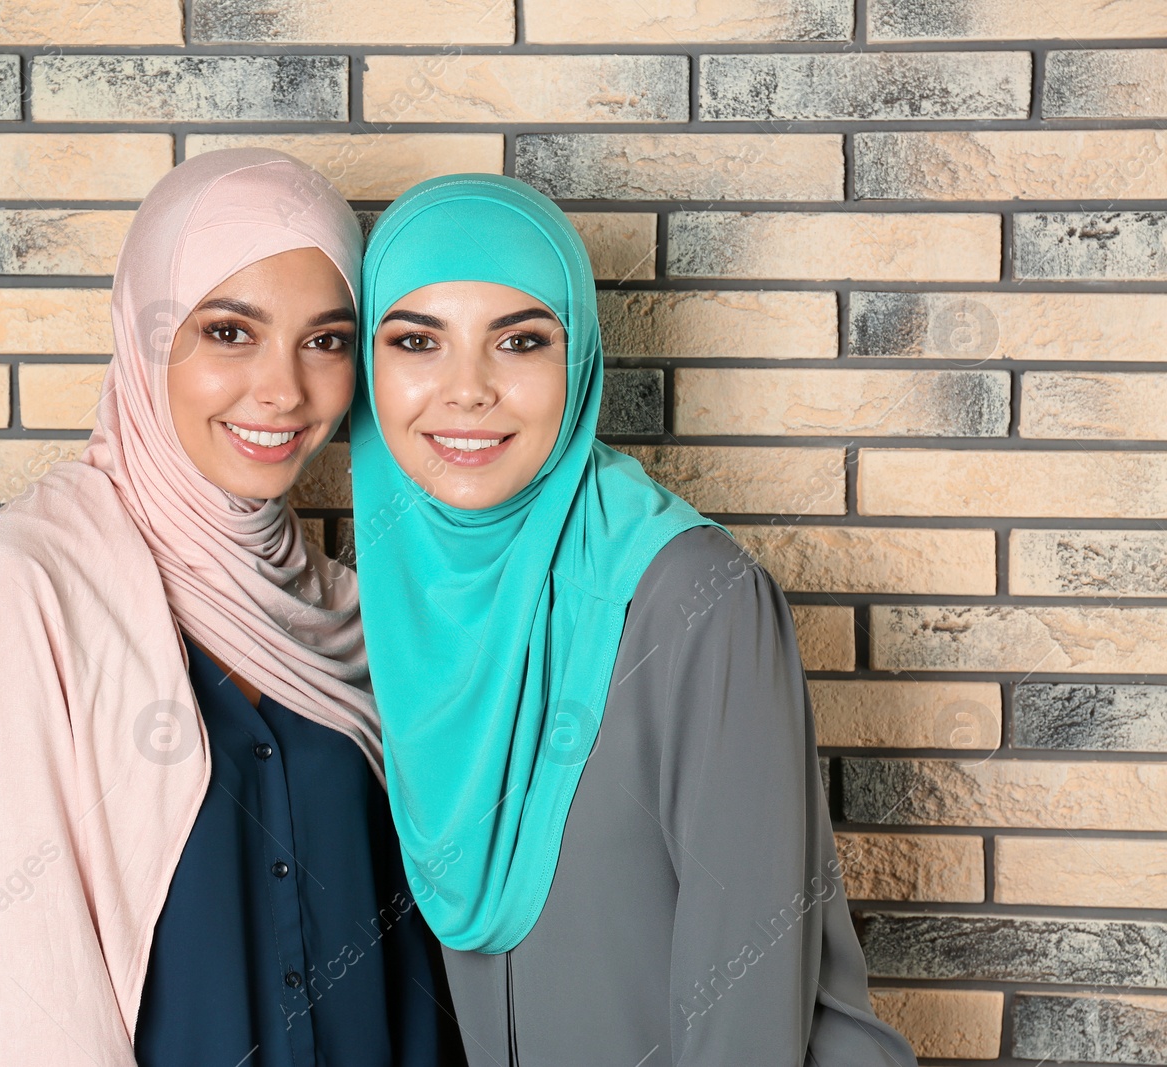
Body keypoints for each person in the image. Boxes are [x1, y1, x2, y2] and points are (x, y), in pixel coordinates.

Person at [0, 149, 462, 1067]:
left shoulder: (351, 614)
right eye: (230, 331)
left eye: (327, 339)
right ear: (146, 334)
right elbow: (10, 994)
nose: (283, 389)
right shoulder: (20, 590)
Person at [347, 173, 919, 1067]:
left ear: (576, 364)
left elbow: (746, 1021)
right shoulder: (389, 601)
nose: (467, 391)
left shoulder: (698, 600)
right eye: (418, 341)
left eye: (521, 342)